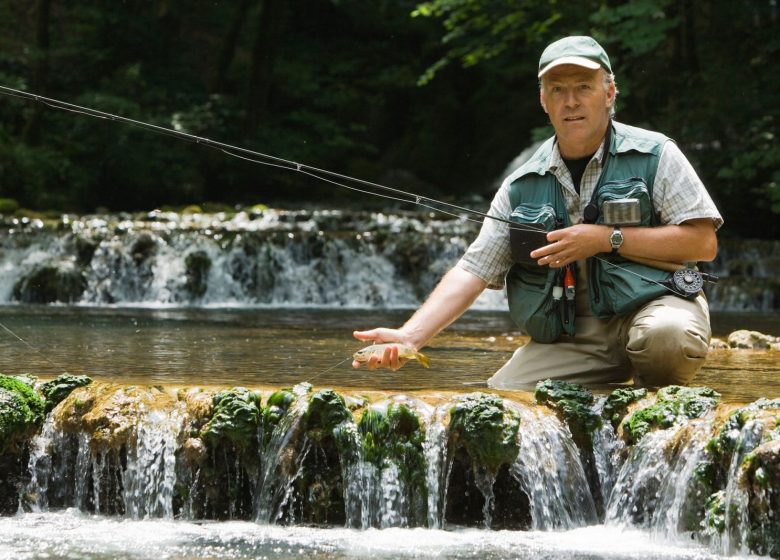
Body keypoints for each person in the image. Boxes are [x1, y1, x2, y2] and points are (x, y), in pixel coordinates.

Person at [352, 35, 723, 389]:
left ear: (609, 93)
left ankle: (650, 402)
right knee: (509, 395)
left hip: (655, 306)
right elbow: (474, 270)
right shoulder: (520, 184)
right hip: (577, 334)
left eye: (583, 87)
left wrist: (605, 239)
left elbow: (703, 243)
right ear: (543, 100)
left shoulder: (657, 154)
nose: (571, 101)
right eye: (557, 89)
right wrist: (410, 337)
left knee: (665, 341)